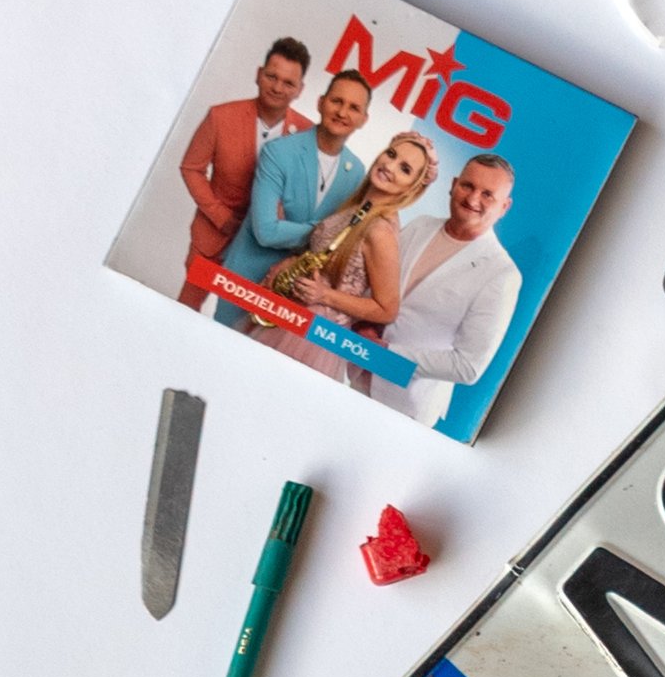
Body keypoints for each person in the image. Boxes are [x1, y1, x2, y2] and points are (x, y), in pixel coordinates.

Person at [253, 127, 440, 391]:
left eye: (405, 169)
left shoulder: (380, 231)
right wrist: (292, 263)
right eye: (391, 154)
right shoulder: (358, 208)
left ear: (412, 188)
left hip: (314, 335)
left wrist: (324, 295)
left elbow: (387, 309)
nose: (389, 166)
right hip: (297, 316)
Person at [368, 153, 522, 429]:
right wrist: (364, 327)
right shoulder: (420, 225)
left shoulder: (501, 274)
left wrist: (387, 353)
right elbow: (377, 282)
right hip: (353, 368)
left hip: (405, 404)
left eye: (487, 194)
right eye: (468, 186)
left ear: (504, 206)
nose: (473, 199)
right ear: (453, 185)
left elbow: (468, 366)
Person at [213, 67, 374, 320]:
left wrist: (291, 229)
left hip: (297, 290)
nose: (342, 112)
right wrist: (323, 231)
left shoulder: (356, 172)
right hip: (246, 277)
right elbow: (266, 231)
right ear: (321, 103)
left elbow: (342, 242)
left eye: (354, 108)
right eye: (337, 101)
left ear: (364, 119)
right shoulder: (278, 152)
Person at [175, 37, 310, 308]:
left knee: (241, 322)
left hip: (264, 251)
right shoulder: (220, 116)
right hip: (212, 237)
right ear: (259, 74)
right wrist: (220, 217)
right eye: (272, 76)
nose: (277, 87)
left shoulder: (308, 134)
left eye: (288, 83)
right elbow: (191, 168)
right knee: (184, 309)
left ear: (299, 90)